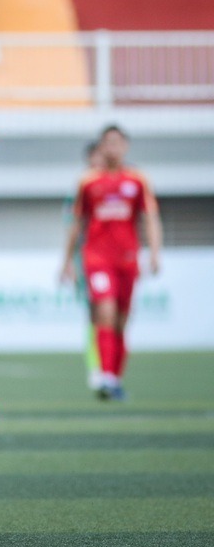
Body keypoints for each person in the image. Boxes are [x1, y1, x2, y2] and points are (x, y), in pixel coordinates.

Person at [61, 125, 162, 401]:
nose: (113, 148)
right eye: (108, 143)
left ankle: (115, 378)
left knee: (121, 321)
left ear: (125, 147)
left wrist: (154, 252)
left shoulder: (138, 179)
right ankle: (105, 376)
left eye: (118, 143)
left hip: (128, 259)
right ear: (101, 148)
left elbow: (150, 216)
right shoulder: (88, 182)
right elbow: (76, 224)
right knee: (104, 313)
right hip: (96, 259)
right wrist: (67, 261)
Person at [61, 141, 107, 391]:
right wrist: (70, 262)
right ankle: (96, 368)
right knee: (96, 314)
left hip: (115, 260)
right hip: (89, 261)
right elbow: (73, 228)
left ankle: (110, 366)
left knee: (114, 316)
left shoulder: (122, 185)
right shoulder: (82, 190)